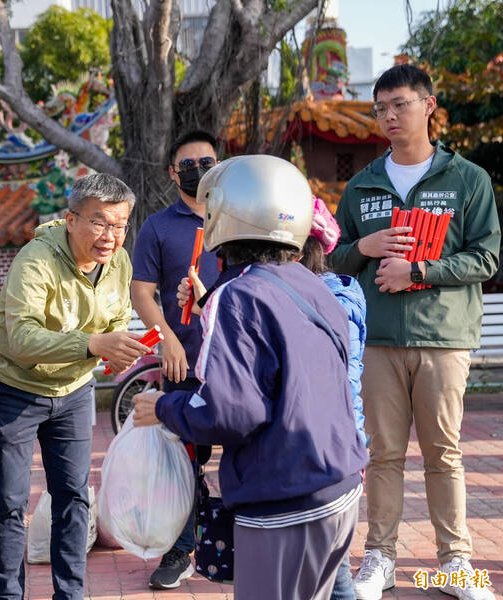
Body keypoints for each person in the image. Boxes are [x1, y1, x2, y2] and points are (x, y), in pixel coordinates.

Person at [132, 155, 368, 600]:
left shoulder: (237, 296)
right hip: (340, 482)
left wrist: (163, 407)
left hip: (285, 493)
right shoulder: (311, 282)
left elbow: (230, 412)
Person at [331, 64, 499, 600]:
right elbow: (332, 257)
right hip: (377, 340)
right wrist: (366, 249)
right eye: (380, 108)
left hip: (443, 337)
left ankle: (455, 563)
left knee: (443, 453)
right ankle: (379, 559)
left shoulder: (466, 179)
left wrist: (420, 272)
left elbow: (487, 257)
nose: (388, 117)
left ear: (429, 105)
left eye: (399, 104)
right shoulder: (362, 185)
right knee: (382, 454)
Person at [0, 173, 150, 600]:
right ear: (71, 219)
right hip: (13, 387)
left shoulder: (120, 261)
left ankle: (70, 594)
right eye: (99, 223)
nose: (110, 236)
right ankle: (7, 595)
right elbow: (21, 341)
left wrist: (117, 348)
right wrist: (94, 343)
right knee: (8, 501)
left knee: (74, 498)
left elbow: (114, 320)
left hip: (73, 391)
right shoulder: (35, 260)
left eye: (119, 225)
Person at [130, 130, 220, 589]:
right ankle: (180, 549)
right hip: (181, 361)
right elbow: (141, 291)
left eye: (207, 161)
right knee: (182, 459)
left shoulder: (237, 217)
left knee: (249, 447)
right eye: (188, 164)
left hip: (235, 360)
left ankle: (242, 539)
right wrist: (166, 338)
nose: (199, 170)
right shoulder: (157, 227)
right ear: (173, 173)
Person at [301, 198, 369, 600]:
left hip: (329, 456)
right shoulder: (335, 292)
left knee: (333, 570)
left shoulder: (334, 299)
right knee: (328, 566)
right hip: (334, 454)